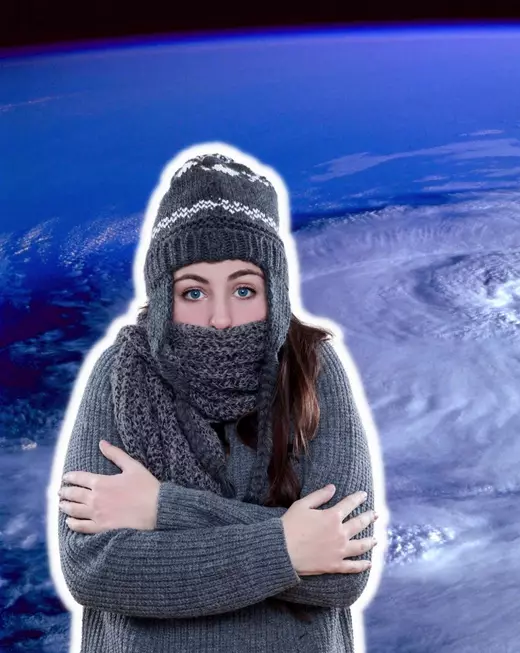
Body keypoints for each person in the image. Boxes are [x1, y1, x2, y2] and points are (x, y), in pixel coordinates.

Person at [49, 149, 384, 652]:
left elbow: (342, 567)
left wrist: (163, 509)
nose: (221, 318)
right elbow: (93, 569)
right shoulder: (120, 373)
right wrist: (289, 545)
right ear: (164, 295)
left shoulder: (313, 368)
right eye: (194, 292)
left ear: (275, 291)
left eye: (244, 290)